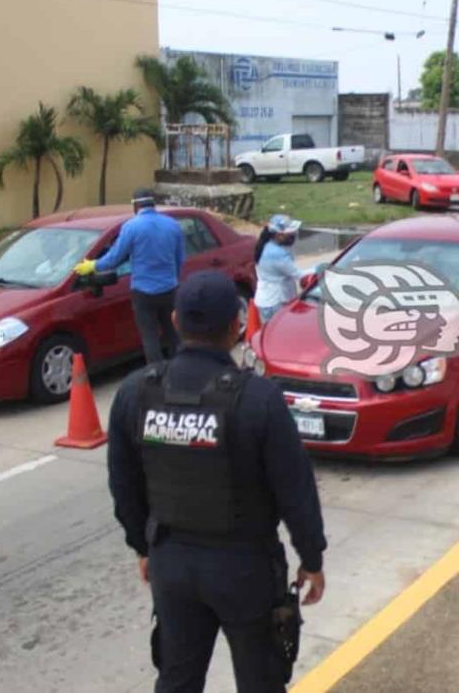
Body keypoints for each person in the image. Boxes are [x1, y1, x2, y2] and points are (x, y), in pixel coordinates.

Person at [107, 270, 327, 693]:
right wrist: (312, 558)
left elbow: (124, 485)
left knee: (177, 680)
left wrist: (142, 545)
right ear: (236, 326)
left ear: (174, 321)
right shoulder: (258, 399)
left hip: (171, 562)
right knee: (260, 679)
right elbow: (294, 490)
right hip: (244, 567)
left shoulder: (136, 393)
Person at [75, 190, 186, 364]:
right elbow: (180, 259)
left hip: (143, 293)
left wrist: (92, 265)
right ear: (153, 204)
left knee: (150, 338)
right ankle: (181, 370)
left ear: (135, 205)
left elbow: (114, 258)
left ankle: (155, 375)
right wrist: (173, 279)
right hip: (170, 289)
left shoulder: (131, 227)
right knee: (174, 334)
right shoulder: (172, 225)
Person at [254, 214, 313, 323]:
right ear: (279, 235)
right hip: (275, 302)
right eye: (290, 233)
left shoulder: (267, 246)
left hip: (266, 300)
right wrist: (320, 268)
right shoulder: (277, 254)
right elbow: (299, 275)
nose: (293, 235)